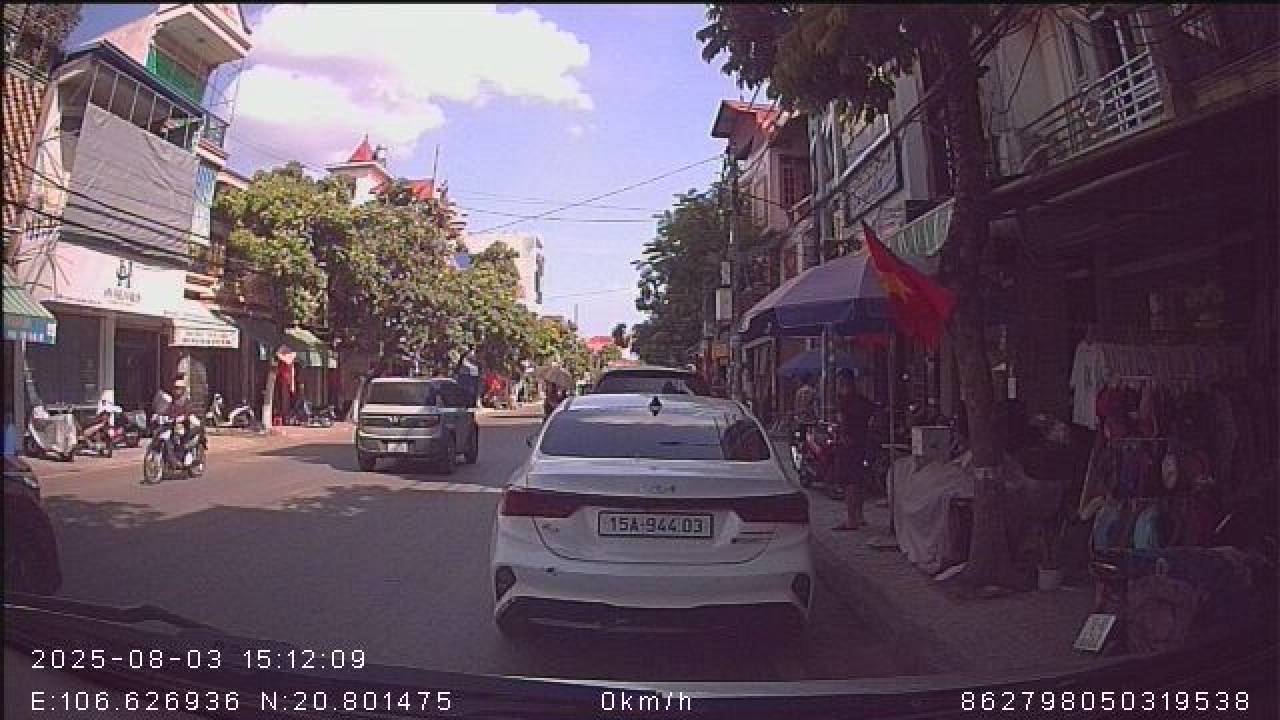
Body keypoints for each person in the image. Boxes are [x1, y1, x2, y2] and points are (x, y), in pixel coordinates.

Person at [832, 367, 876, 531]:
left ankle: (852, 519)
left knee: (850, 482)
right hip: (863, 444)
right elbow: (873, 415)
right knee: (859, 480)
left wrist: (844, 436)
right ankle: (859, 515)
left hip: (850, 446)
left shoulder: (845, 402)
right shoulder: (863, 401)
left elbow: (842, 423)